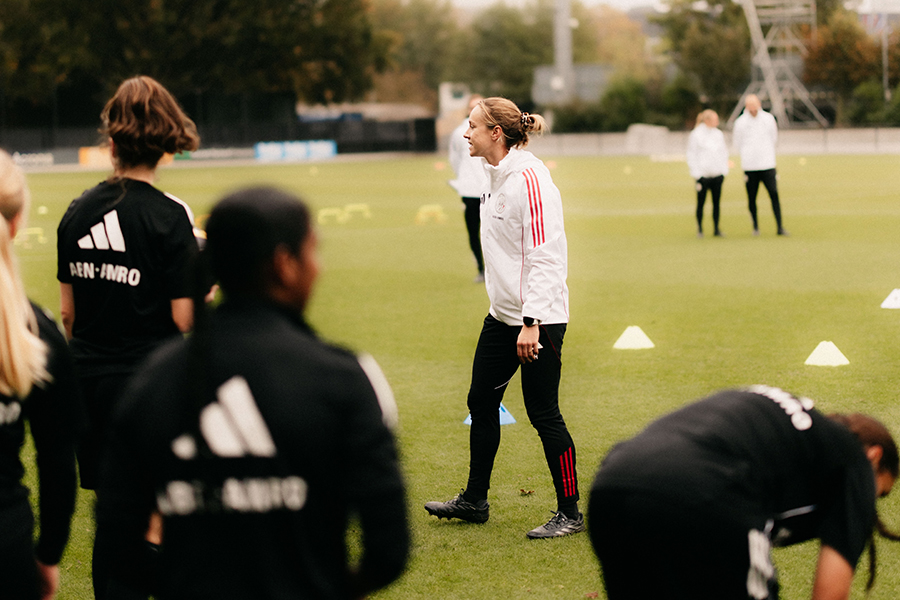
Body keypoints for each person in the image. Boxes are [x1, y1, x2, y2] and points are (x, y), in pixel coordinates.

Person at [94, 187, 410, 599]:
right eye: (312, 252)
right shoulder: (345, 378)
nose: (319, 268)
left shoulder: (153, 379)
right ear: (284, 265)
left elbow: (119, 539)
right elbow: (388, 549)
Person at [425, 97, 582, 539]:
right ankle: (475, 500)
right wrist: (510, 313)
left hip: (539, 318)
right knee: (481, 401)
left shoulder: (530, 178)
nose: (465, 133)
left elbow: (546, 256)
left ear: (496, 132)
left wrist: (532, 321)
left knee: (543, 413)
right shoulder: (491, 176)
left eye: (472, 126)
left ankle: (569, 513)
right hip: (502, 316)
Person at [589, 385, 899, 600]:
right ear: (873, 456)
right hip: (701, 491)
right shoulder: (855, 462)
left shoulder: (791, 429)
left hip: (611, 486)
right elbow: (831, 592)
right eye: (879, 493)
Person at [56, 75, 200, 492]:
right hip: (146, 386)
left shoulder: (76, 212)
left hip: (86, 384)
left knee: (112, 514)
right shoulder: (171, 215)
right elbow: (183, 319)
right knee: (155, 511)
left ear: (112, 144)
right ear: (165, 148)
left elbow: (69, 313)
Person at [0, 149, 83, 600]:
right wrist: (48, 556)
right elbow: (57, 463)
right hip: (8, 552)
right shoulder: (37, 333)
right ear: (16, 225)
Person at [732, 94, 788, 236]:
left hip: (767, 164)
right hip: (750, 166)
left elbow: (774, 137)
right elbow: (737, 142)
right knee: (752, 197)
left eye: (754, 104)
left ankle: (779, 227)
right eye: (749, 104)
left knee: (774, 194)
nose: (752, 107)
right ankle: (756, 227)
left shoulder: (768, 119)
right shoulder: (740, 122)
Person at [448, 93, 487, 282]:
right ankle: (481, 268)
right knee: (474, 232)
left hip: (490, 190)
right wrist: (462, 179)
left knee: (494, 231)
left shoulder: (491, 130)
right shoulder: (459, 132)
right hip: (470, 190)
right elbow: (454, 159)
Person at [687, 109, 729, 238]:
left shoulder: (718, 134)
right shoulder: (696, 134)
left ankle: (716, 228)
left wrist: (723, 171)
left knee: (716, 203)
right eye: (714, 119)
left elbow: (723, 153)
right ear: (707, 120)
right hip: (703, 175)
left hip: (717, 175)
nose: (717, 122)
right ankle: (700, 228)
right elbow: (691, 154)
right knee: (701, 203)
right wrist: (697, 174)